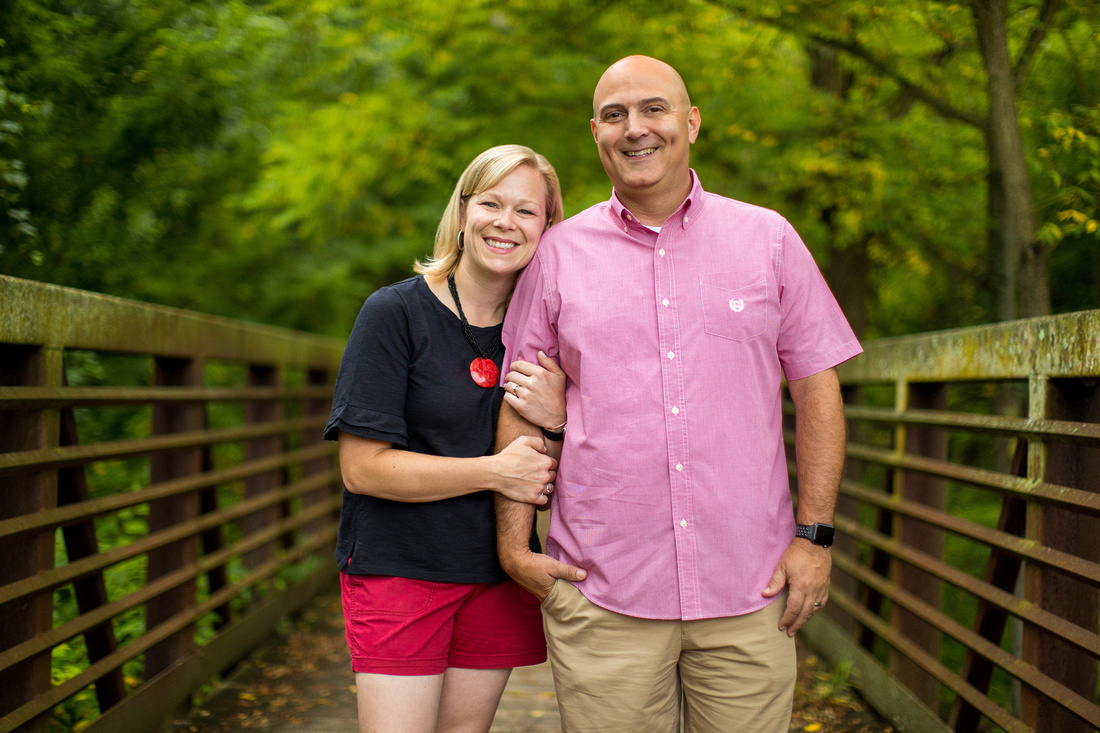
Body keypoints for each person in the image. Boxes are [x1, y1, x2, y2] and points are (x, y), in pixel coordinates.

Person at [495, 56, 863, 732]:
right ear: (596, 134)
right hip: (602, 593)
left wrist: (815, 537)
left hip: (751, 588)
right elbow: (520, 405)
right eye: (614, 115)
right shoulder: (557, 253)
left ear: (690, 122)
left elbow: (818, 390)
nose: (635, 128)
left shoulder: (770, 239)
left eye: (653, 109)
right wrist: (516, 549)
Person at [324, 144, 569, 733]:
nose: (505, 222)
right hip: (399, 569)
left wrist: (558, 420)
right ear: (463, 213)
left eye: (526, 211)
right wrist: (492, 470)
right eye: (490, 203)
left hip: (495, 575)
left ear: (549, 228)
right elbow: (363, 469)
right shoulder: (395, 314)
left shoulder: (546, 329)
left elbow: (564, 465)